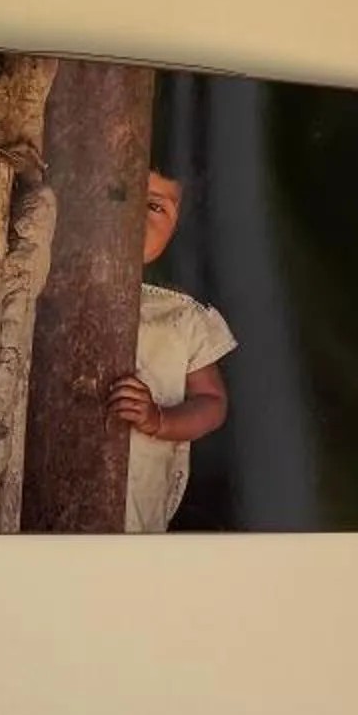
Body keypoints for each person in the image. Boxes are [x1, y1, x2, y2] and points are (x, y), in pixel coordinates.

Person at [107, 167, 232, 532]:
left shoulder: (182, 315)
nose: (134, 216)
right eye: (120, 194)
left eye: (154, 206)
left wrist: (159, 420)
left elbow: (212, 402)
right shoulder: (48, 288)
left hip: (138, 495)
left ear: (177, 230)